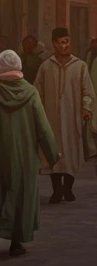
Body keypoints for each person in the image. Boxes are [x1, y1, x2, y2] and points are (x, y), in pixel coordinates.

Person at [0, 50, 58, 257]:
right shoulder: (31, 92)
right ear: (19, 67)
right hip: (25, 158)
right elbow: (43, 128)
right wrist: (53, 155)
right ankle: (16, 243)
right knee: (21, 198)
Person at [34, 27, 93, 203]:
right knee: (54, 153)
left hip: (72, 117)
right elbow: (37, 91)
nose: (64, 46)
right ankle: (56, 191)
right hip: (50, 118)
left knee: (71, 152)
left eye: (66, 42)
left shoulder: (80, 66)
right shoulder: (46, 66)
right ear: (54, 44)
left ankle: (68, 189)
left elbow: (88, 91)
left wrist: (86, 108)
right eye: (61, 42)